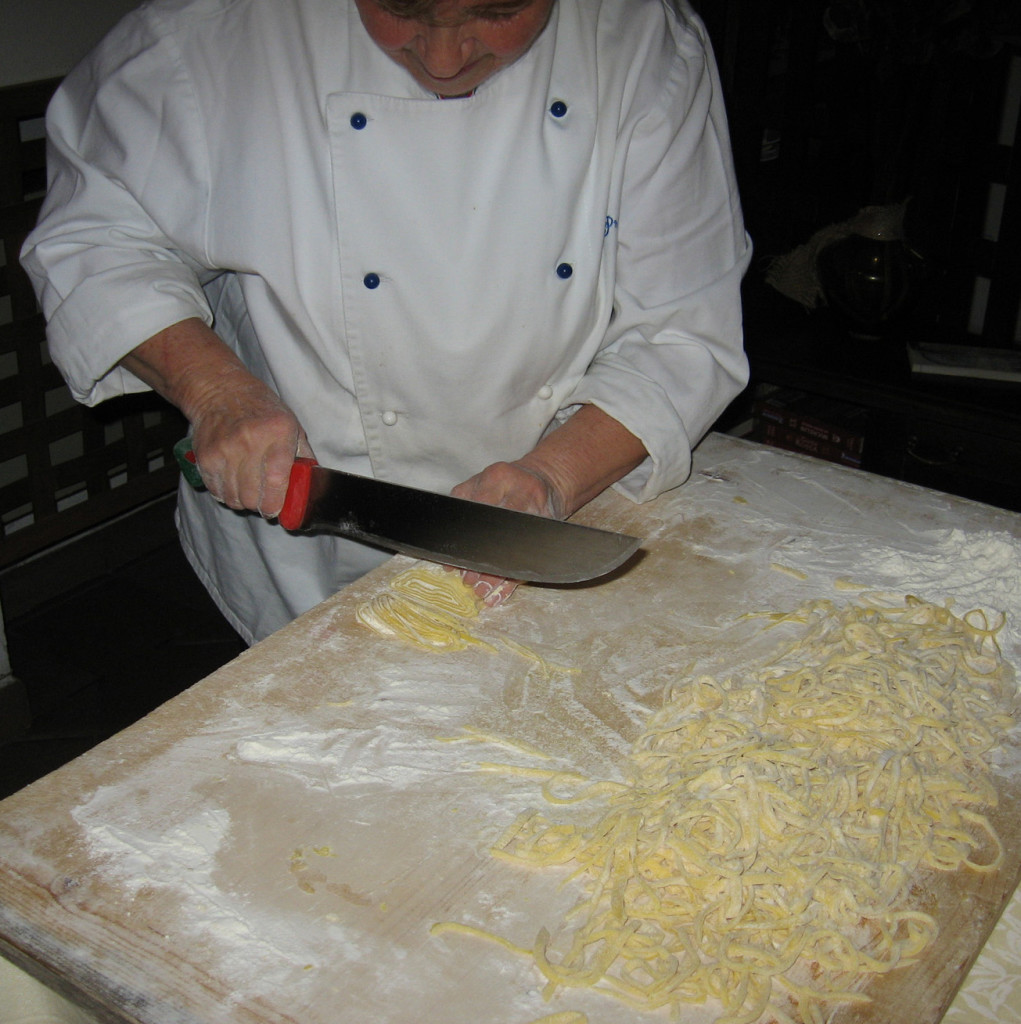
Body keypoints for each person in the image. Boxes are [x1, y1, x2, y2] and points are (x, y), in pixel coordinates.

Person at [22, 0, 751, 646]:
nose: (442, 55)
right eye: (402, 7)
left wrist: (551, 476)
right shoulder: (209, 34)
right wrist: (218, 394)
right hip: (300, 526)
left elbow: (681, 328)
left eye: (497, 11)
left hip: (555, 501)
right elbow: (93, 239)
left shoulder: (640, 38)